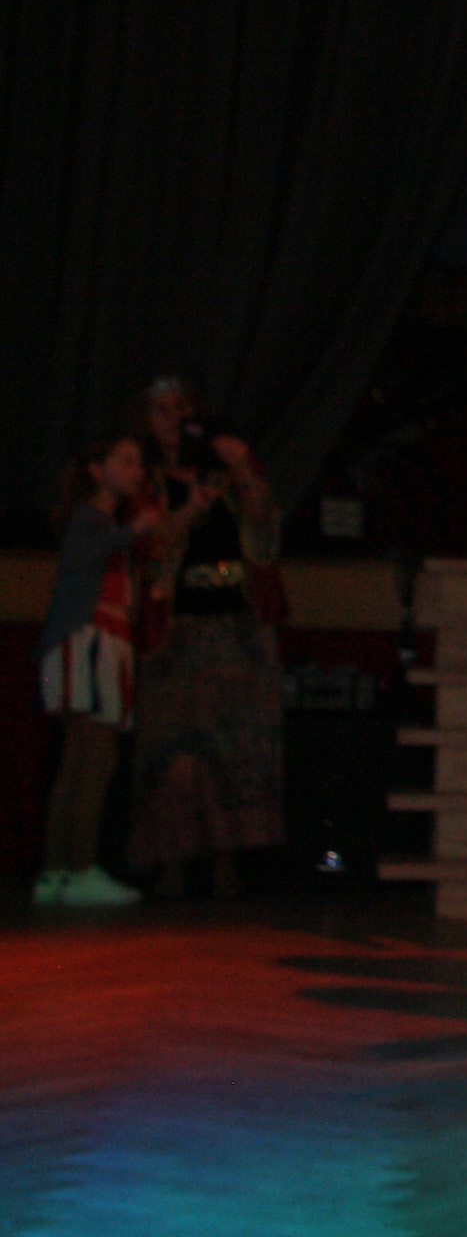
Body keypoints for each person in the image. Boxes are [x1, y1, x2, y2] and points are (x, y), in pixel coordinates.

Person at [127, 377, 286, 898]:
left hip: (237, 626)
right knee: (172, 752)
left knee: (234, 749)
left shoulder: (225, 472)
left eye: (182, 407)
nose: (174, 418)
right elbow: (148, 547)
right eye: (161, 409)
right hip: (176, 629)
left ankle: (227, 862)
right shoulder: (144, 478)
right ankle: (171, 862)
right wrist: (191, 508)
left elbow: (265, 524)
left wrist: (241, 466)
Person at [37, 432, 154, 906]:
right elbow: (80, 555)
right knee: (95, 759)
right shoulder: (92, 519)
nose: (135, 472)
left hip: (92, 644)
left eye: (137, 463)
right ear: (96, 469)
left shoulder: (102, 523)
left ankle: (57, 871)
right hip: (89, 643)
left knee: (78, 761)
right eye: (125, 461)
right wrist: (132, 531)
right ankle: (79, 869)